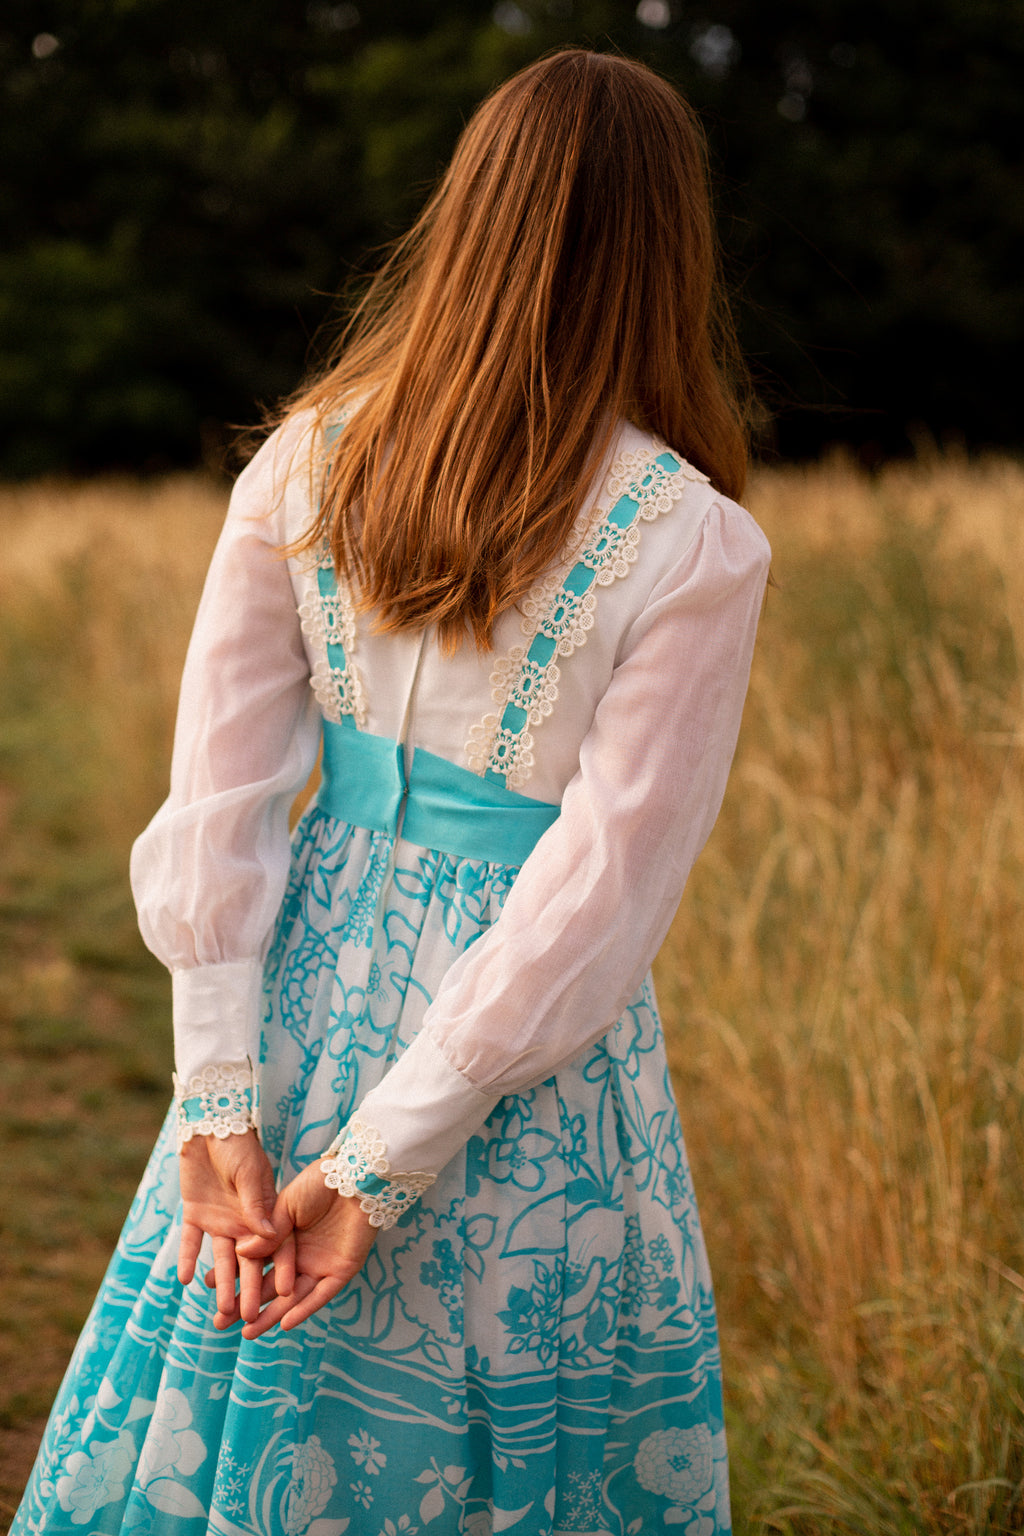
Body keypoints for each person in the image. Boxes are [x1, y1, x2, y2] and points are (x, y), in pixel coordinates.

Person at [13, 47, 770, 1536]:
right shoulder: (691, 539)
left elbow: (218, 804)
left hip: (306, 980)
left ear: (466, 216)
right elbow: (593, 897)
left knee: (250, 1404)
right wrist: (381, 1166)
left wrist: (224, 1100)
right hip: (520, 1059)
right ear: (669, 251)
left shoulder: (305, 462)